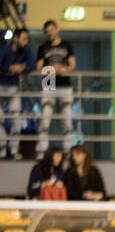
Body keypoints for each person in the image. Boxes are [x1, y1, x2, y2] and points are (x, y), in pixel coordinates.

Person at [36, 20, 76, 155]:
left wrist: (62, 70)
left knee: (67, 119)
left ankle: (68, 149)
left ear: (57, 29)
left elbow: (72, 65)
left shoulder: (66, 45)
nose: (49, 33)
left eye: (51, 30)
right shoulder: (43, 47)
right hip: (48, 82)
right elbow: (39, 68)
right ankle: (42, 150)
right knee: (45, 118)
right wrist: (52, 69)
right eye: (47, 31)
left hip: (64, 84)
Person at [0, 27, 35, 159]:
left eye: (27, 39)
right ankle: (2, 149)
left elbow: (32, 65)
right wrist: (10, 69)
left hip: (13, 88)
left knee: (16, 118)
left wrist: (22, 68)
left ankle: (14, 149)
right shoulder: (4, 50)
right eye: (24, 39)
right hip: (1, 87)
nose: (26, 42)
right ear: (15, 38)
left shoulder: (26, 50)